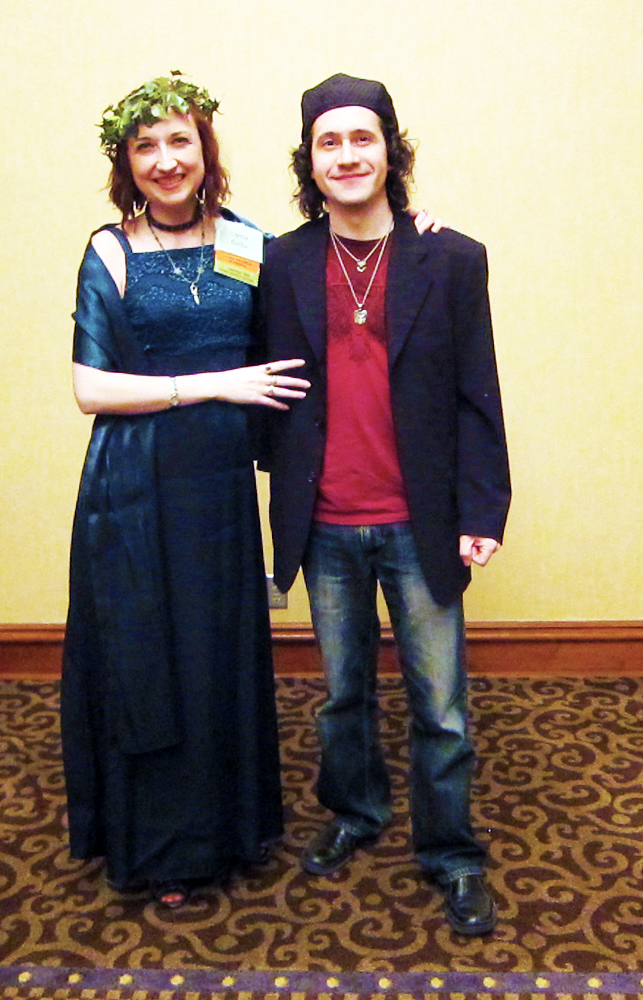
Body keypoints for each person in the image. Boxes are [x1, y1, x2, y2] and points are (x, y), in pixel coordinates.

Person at [259, 74, 511, 935]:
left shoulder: (452, 259)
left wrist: (484, 508)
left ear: (391, 151)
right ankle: (355, 812)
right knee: (342, 694)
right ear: (309, 162)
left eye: (362, 138)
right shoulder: (280, 262)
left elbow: (478, 393)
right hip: (324, 521)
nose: (346, 155)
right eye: (328, 142)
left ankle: (452, 853)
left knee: (440, 706)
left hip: (419, 520)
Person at [60, 73, 310, 909]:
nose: (166, 161)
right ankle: (161, 844)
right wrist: (213, 386)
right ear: (125, 163)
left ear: (206, 152)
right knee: (148, 656)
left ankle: (229, 830)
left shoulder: (247, 243)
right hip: (134, 487)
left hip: (219, 493)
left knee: (216, 655)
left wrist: (410, 226)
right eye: (146, 147)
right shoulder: (110, 250)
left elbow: (321, 285)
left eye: (180, 141)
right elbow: (91, 388)